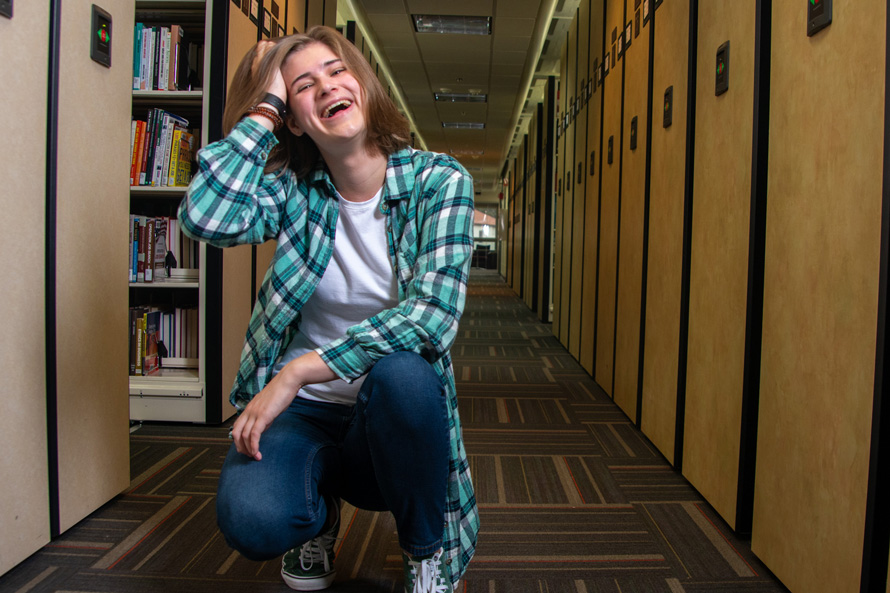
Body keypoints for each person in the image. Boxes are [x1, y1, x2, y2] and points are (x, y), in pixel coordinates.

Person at [177, 26, 479, 593]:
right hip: (306, 415)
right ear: (293, 119)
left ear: (362, 83)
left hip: (383, 419)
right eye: (302, 87)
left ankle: (425, 555)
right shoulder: (294, 188)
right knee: (252, 520)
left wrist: (298, 370)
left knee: (408, 376)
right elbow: (205, 219)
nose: (326, 88)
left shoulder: (440, 181)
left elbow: (431, 318)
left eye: (337, 71)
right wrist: (264, 107)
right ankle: (314, 519)